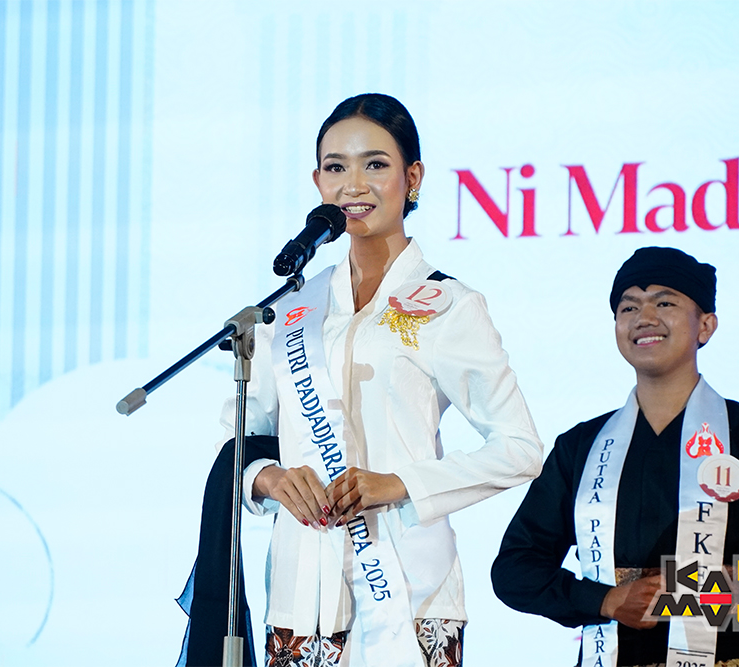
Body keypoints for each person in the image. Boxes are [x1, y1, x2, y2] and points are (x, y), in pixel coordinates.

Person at [205, 93, 544, 667]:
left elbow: (520, 449)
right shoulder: (288, 310)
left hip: (410, 590)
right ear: (318, 183)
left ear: (412, 178)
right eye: (336, 167)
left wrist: (399, 483)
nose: (354, 185)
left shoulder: (449, 304)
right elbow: (237, 438)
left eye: (376, 164)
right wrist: (269, 478)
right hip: (300, 594)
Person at [491, 247, 739, 667]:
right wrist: (606, 600)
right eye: (628, 307)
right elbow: (515, 569)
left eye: (665, 303)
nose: (644, 318)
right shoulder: (581, 446)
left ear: (706, 325)